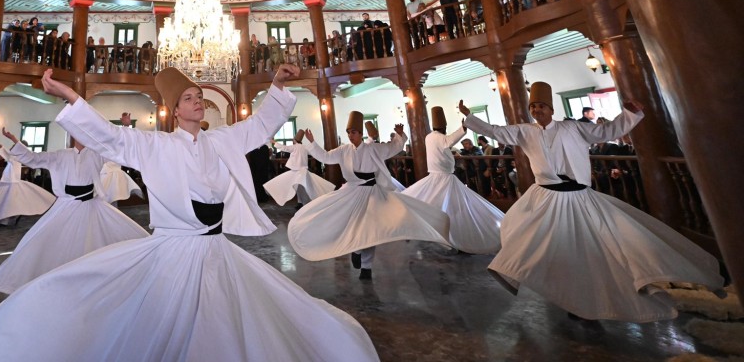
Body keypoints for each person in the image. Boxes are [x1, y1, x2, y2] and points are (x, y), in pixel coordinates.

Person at [0, 64, 378, 362]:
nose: (197, 101)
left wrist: (275, 85)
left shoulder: (221, 139)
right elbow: (112, 138)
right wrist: (72, 99)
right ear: (174, 109)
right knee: (166, 321)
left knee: (221, 319)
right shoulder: (154, 145)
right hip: (173, 248)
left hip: (216, 249)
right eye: (188, 98)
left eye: (199, 96)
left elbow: (259, 126)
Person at [459, 83, 724, 321]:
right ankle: (518, 271)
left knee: (595, 247)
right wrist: (469, 117)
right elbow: (494, 131)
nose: (537, 110)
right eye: (534, 106)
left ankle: (601, 296)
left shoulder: (572, 127)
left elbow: (607, 130)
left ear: (550, 108)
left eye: (541, 106)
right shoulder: (524, 132)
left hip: (579, 197)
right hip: (547, 197)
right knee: (532, 237)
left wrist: (630, 114)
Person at [0, 121, 149, 295]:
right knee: (40, 241)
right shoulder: (61, 155)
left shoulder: (98, 154)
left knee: (100, 238)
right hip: (66, 205)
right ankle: (15, 280)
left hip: (90, 205)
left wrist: (127, 127)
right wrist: (15, 141)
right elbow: (34, 159)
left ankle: (91, 279)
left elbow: (121, 150)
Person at [288, 112, 450, 281]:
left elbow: (393, 147)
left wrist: (400, 135)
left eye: (353, 132)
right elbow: (326, 158)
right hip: (351, 191)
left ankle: (366, 267)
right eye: (348, 132)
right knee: (351, 224)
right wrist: (312, 143)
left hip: (372, 193)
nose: (350, 135)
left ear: (360, 133)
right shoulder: (344, 150)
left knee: (370, 229)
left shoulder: (373, 148)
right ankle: (356, 250)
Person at [401, 107, 503, 254]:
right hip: (443, 178)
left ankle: (441, 235)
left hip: (440, 177)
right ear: (443, 126)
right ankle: (450, 237)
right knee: (451, 207)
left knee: (433, 203)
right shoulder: (439, 138)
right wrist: (463, 127)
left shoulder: (429, 137)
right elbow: (449, 141)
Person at [0, 142, 55, 227]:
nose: (11, 148)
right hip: (10, 181)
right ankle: (10, 218)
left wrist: (2, 148)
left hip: (12, 182)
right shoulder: (16, 156)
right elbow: (9, 156)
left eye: (13, 147)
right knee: (8, 202)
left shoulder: (18, 156)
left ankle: (9, 219)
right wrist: (2, 148)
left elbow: (9, 157)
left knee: (8, 202)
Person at [263, 129, 335, 209]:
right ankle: (301, 203)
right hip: (302, 171)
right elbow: (314, 152)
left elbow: (284, 148)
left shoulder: (294, 147)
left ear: (294, 140)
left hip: (297, 172)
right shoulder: (305, 148)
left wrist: (274, 142)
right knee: (302, 188)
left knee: (299, 188)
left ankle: (303, 203)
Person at [99, 112, 144, 204]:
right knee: (102, 201)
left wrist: (126, 125)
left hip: (115, 174)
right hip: (102, 174)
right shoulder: (100, 143)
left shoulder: (117, 143)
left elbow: (125, 138)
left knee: (113, 199)